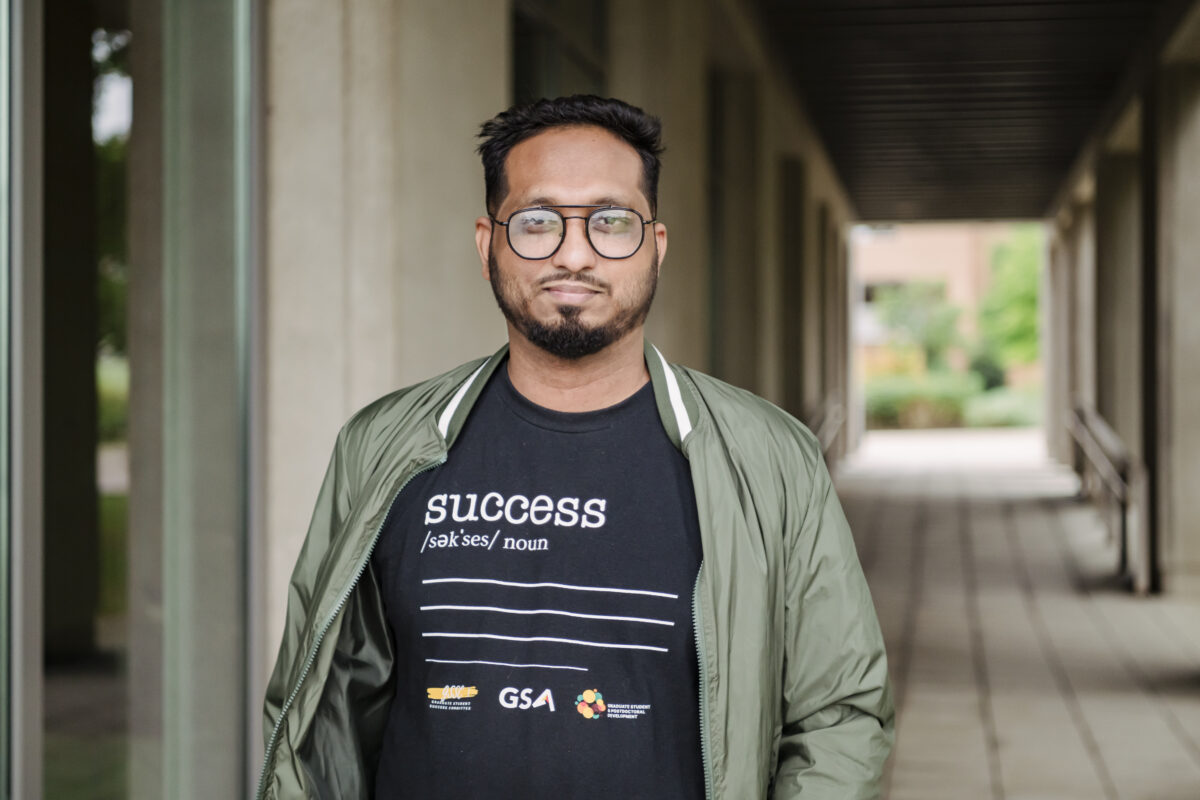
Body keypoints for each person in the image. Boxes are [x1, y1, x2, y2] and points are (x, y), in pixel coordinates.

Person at [258, 95, 893, 800]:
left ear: (655, 245)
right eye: (537, 222)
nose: (573, 252)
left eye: (610, 222)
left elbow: (840, 715)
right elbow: (317, 712)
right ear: (486, 244)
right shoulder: (382, 447)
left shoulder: (769, 459)